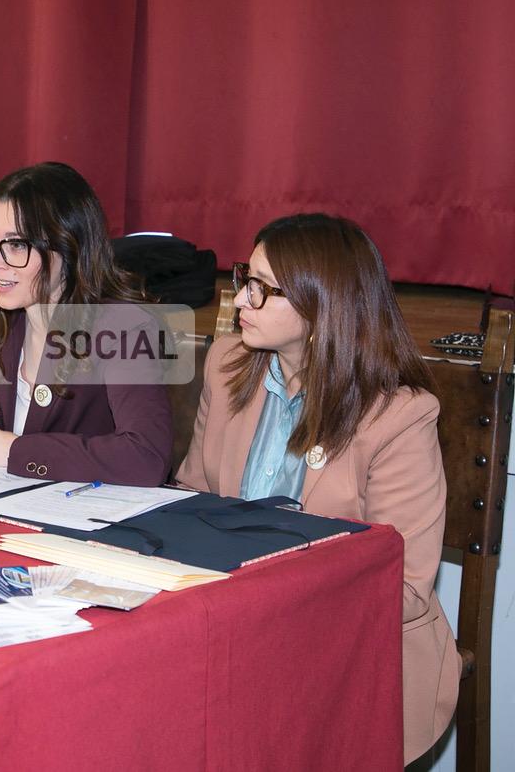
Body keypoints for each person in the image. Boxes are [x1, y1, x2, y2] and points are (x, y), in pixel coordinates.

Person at [174, 213, 460, 763]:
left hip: (350, 653)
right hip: (237, 628)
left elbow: (401, 587)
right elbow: (194, 498)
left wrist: (265, 607)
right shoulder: (228, 364)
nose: (240, 302)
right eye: (244, 279)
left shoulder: (398, 415)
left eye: (263, 289)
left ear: (321, 305)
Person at [0, 162, 172, 484]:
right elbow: (24, 421)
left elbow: (146, 457)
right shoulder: (9, 318)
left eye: (17, 245)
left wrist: (13, 449)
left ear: (69, 248)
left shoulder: (124, 328)